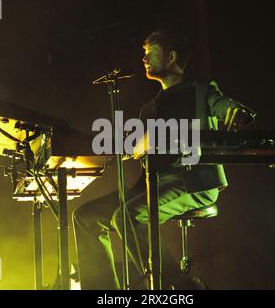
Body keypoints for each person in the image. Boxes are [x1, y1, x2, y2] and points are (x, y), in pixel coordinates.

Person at [72, 30, 257, 289]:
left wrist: (236, 111)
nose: (144, 58)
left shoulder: (201, 90)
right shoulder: (150, 107)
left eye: (150, 52)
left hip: (193, 181)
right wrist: (87, 150)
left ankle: (175, 287)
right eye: (143, 53)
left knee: (126, 217)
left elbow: (222, 104)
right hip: (151, 184)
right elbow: (132, 145)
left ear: (171, 56)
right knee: (86, 216)